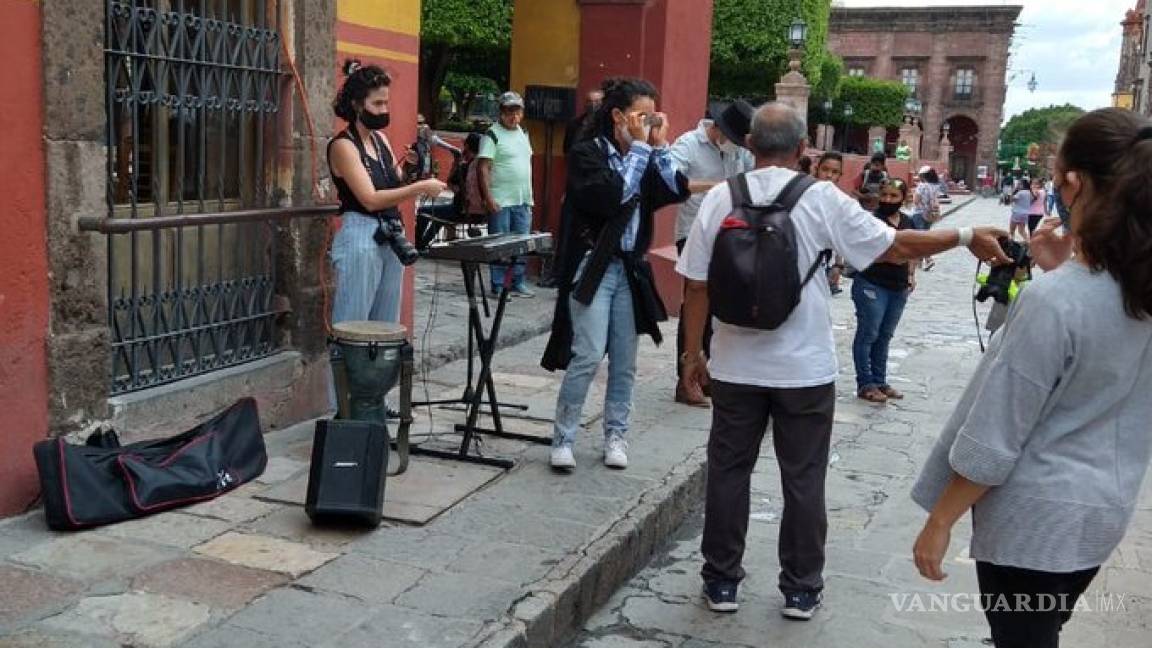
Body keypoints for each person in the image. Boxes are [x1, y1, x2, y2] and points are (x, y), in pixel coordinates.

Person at [676, 102, 1009, 620]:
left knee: (727, 474)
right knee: (803, 479)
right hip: (804, 370)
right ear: (803, 147)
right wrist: (964, 236)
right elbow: (894, 248)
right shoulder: (822, 198)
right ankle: (801, 589)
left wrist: (692, 354)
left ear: (749, 145)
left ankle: (721, 582)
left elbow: (696, 286)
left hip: (735, 365)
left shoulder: (721, 198)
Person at [911, 108, 1152, 648]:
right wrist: (1057, 272)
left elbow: (998, 432)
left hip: (1035, 520)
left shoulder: (1058, 300)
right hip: (1103, 509)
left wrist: (941, 519)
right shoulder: (1132, 289)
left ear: (1073, 184)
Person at [541, 77, 690, 471]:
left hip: (630, 269)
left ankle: (616, 436)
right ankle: (564, 437)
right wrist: (641, 149)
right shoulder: (587, 153)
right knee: (587, 354)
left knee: (625, 360)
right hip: (593, 268)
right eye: (641, 116)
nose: (646, 123)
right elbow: (612, 197)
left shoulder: (643, 154)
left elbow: (676, 188)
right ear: (618, 116)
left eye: (651, 116)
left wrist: (659, 148)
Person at [327, 60, 446, 327]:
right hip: (361, 233)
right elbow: (369, 199)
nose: (384, 110)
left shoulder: (380, 140)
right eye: (377, 104)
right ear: (358, 105)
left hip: (390, 235)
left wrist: (413, 169)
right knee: (353, 325)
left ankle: (380, 370)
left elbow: (396, 181)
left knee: (386, 326)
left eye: (386, 103)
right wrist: (420, 188)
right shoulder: (343, 146)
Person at [668, 100, 755, 407]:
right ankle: (685, 378)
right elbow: (671, 182)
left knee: (719, 308)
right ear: (717, 128)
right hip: (693, 232)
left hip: (729, 235)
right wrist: (716, 187)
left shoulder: (740, 151)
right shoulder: (688, 145)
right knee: (695, 302)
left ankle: (709, 374)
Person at [852, 179, 917, 404]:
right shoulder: (872, 220)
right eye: (885, 195)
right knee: (868, 333)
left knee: (885, 335)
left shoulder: (908, 221)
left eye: (894, 196)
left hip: (898, 286)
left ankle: (880, 380)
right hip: (872, 283)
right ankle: (865, 383)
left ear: (902, 198)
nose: (888, 200)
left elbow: (912, 250)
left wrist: (910, 275)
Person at [478, 91, 536, 298]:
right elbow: (483, 167)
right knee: (500, 244)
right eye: (509, 112)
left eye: (517, 111)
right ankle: (498, 284)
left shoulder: (524, 132)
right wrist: (488, 198)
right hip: (500, 199)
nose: (514, 116)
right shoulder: (492, 134)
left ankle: (517, 281)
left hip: (522, 198)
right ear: (501, 113)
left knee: (521, 244)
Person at [415, 132, 482, 250]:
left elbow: (450, 184)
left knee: (422, 211)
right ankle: (423, 244)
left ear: (466, 146)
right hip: (479, 214)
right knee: (439, 215)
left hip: (462, 212)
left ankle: (419, 245)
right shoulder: (481, 165)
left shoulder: (466, 167)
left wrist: (456, 163)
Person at [815, 152, 847, 295]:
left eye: (834, 172)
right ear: (817, 169)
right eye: (825, 169)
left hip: (823, 261)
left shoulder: (840, 202)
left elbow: (839, 234)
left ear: (840, 175)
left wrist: (838, 265)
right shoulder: (803, 193)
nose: (829, 175)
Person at [912, 165, 942, 271]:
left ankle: (928, 259)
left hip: (919, 214)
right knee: (924, 236)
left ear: (923, 176)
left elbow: (916, 200)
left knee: (919, 238)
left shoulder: (921, 186)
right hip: (930, 215)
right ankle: (919, 262)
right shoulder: (936, 186)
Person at [564, 89, 604, 154]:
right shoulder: (574, 124)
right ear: (585, 103)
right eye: (590, 101)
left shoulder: (606, 125)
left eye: (597, 102)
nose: (593, 105)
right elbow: (567, 147)